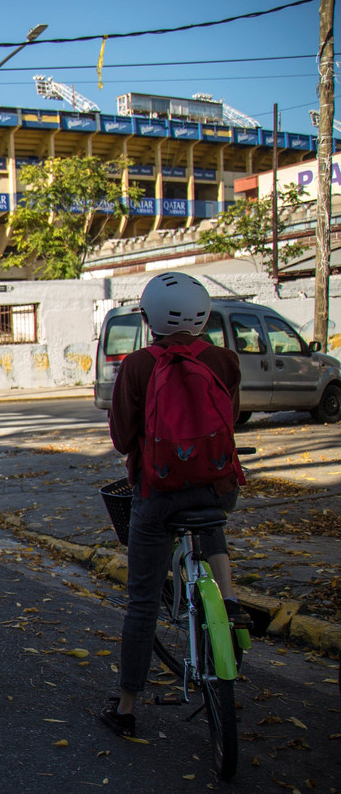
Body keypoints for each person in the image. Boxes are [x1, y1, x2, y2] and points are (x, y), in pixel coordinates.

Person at [101, 272, 253, 738]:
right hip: (215, 489)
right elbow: (230, 422)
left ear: (148, 319)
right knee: (209, 505)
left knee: (142, 602)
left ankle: (126, 707)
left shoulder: (138, 365)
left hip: (157, 495)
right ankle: (227, 599)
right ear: (203, 315)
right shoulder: (224, 360)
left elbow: (124, 438)